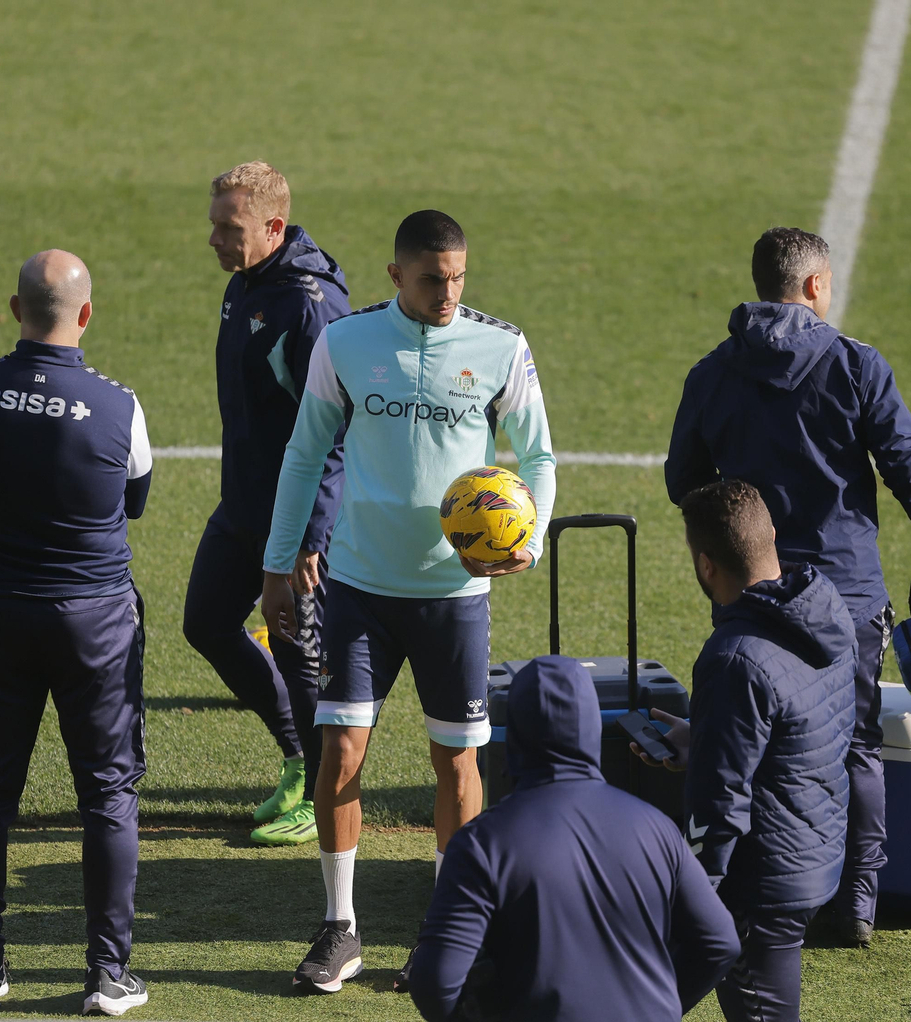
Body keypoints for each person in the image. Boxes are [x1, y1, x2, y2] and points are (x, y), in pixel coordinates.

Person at [260, 210, 558, 994]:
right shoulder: (347, 342)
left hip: (453, 594)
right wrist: (277, 564)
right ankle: (340, 928)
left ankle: (447, 929)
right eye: (432, 279)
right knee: (341, 751)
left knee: (456, 760)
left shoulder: (501, 346)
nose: (449, 292)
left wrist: (532, 535)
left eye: (459, 276)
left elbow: (538, 453)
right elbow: (302, 453)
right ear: (396, 275)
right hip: (358, 587)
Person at [664, 226, 911, 946]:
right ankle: (855, 900)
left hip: (744, 589)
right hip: (845, 592)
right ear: (816, 285)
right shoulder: (856, 364)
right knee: (853, 743)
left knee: (746, 738)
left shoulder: (711, 373)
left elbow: (683, 482)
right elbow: (901, 454)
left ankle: (750, 888)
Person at [0, 250, 152, 1016]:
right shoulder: (119, 406)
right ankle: (107, 974)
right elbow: (134, 500)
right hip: (95, 620)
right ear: (86, 314)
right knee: (108, 793)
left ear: (14, 308)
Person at [407, 656, 741, 1022]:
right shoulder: (657, 828)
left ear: (514, 730)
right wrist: (661, 1005)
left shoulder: (482, 843)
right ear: (592, 725)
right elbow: (719, 943)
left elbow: (435, 983)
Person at [635, 480, 855, 1022]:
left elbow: (720, 799)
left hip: (762, 882)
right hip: (815, 851)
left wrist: (697, 894)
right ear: (771, 536)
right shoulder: (825, 610)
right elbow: (798, 730)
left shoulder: (734, 658)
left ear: (707, 567)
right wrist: (705, 736)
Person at [183, 161, 351, 847]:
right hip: (245, 503)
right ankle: (294, 754)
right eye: (215, 223)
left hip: (298, 516)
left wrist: (311, 539)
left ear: (273, 227)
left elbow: (337, 431)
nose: (216, 238)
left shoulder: (308, 306)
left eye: (231, 227)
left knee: (299, 657)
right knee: (207, 623)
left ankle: (321, 793)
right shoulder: (247, 282)